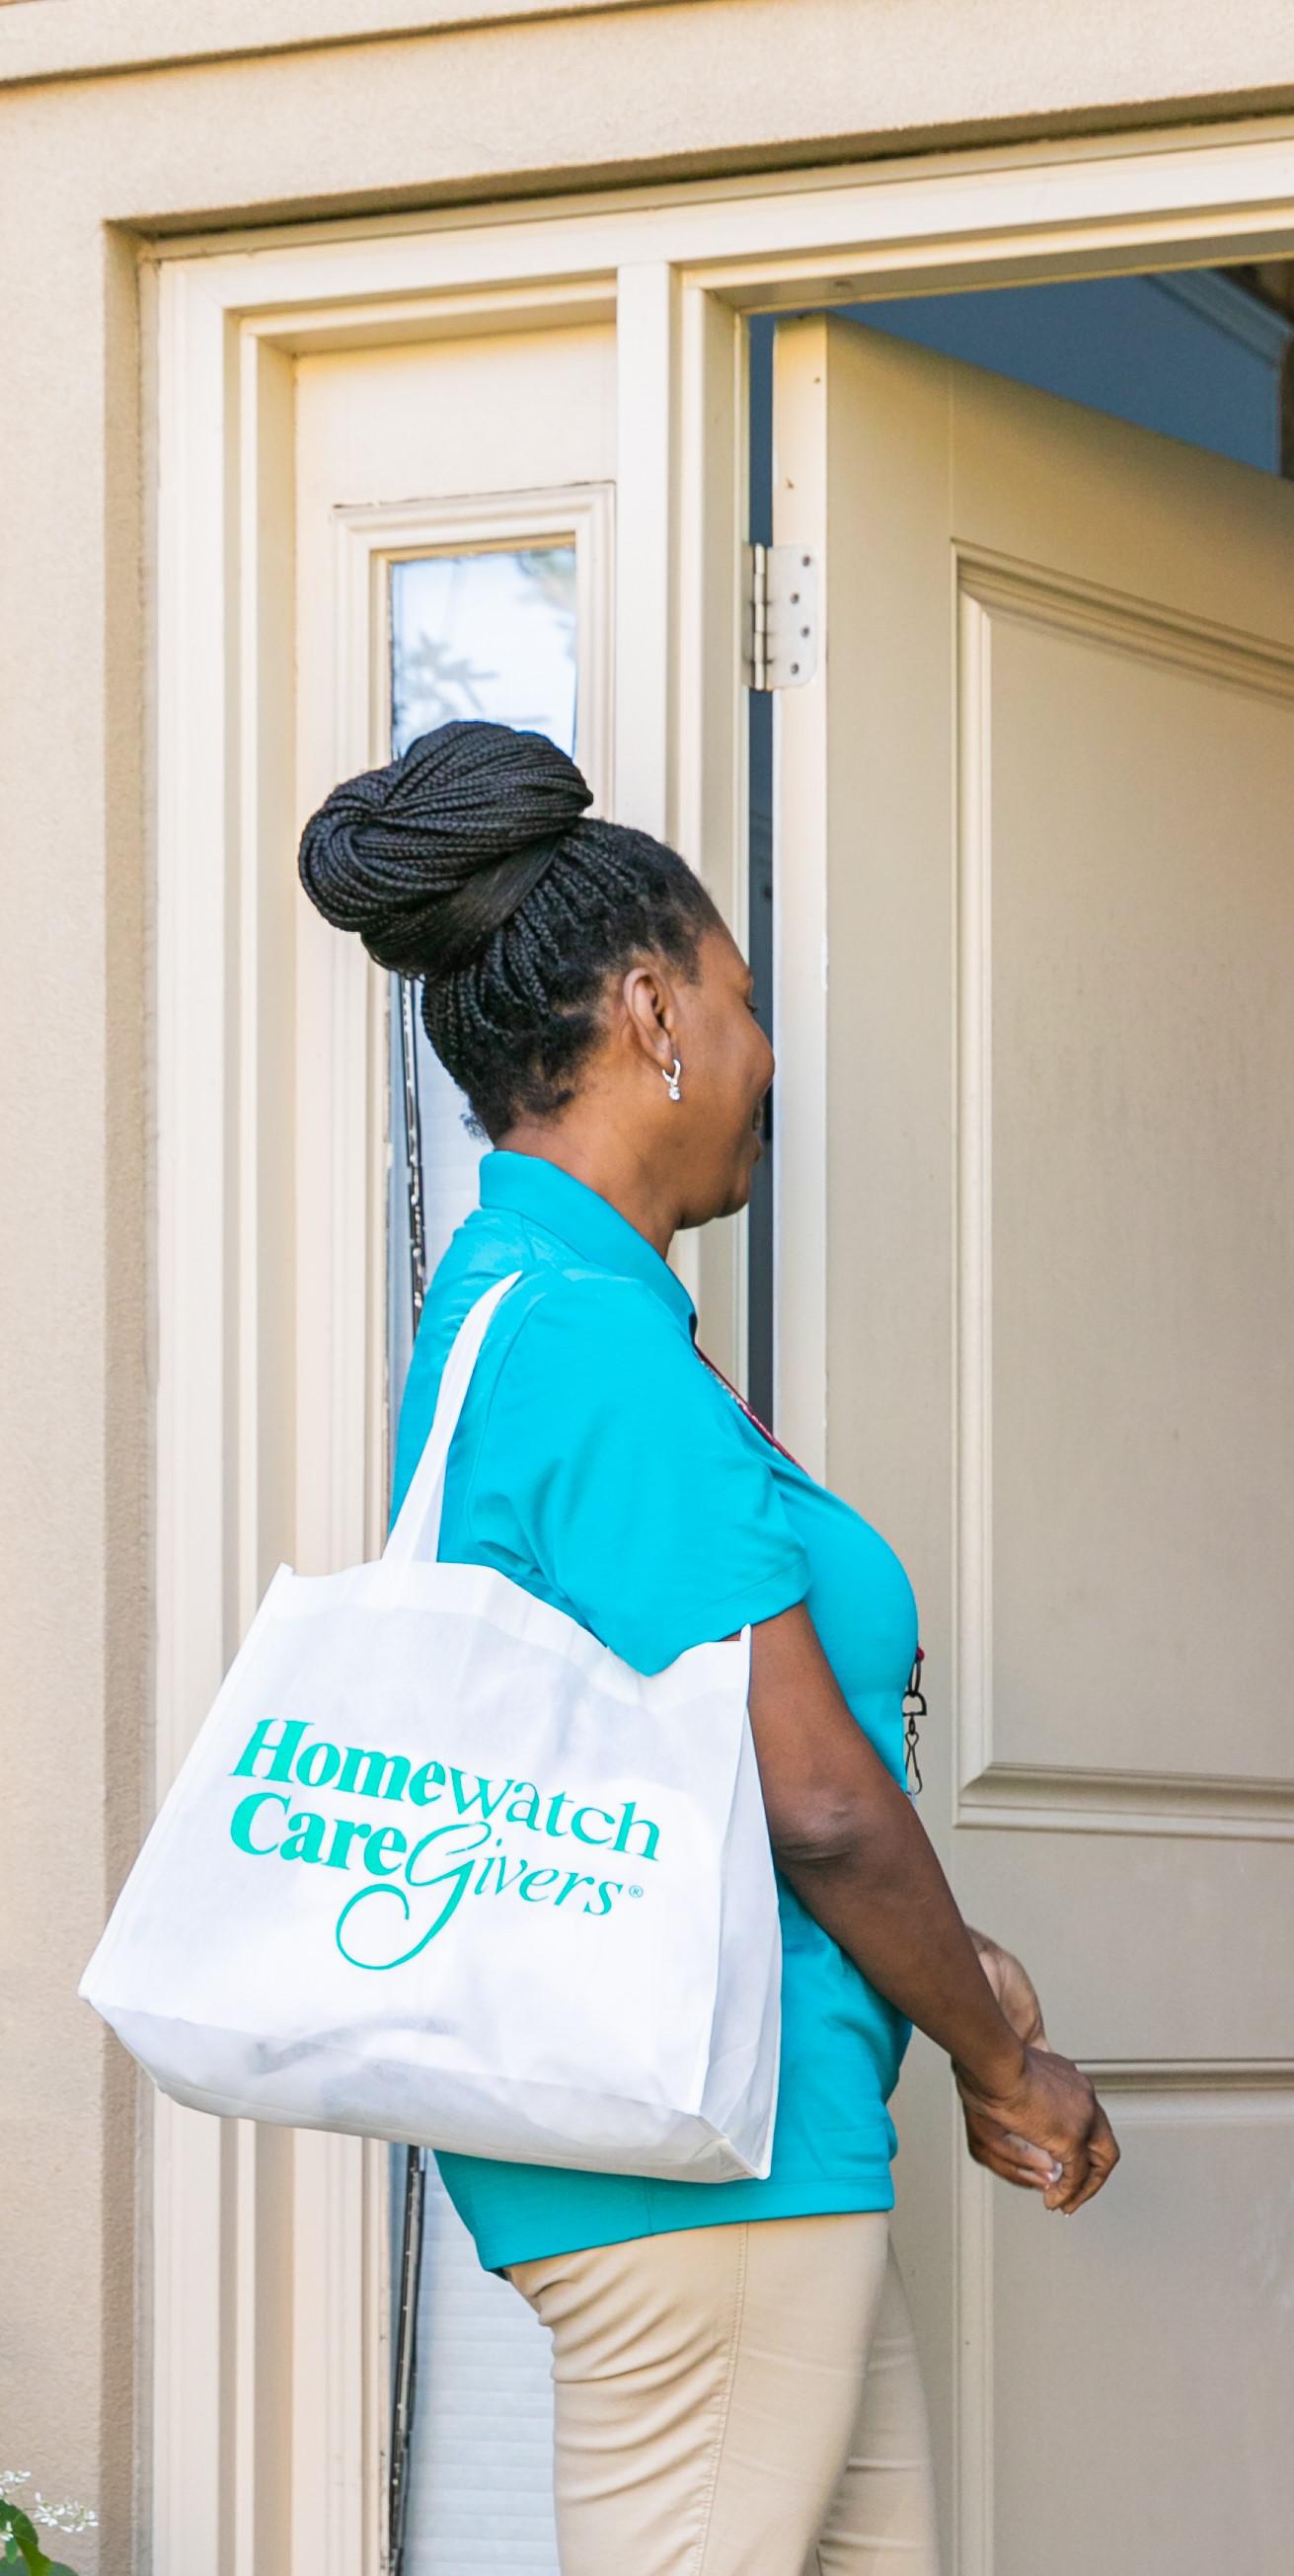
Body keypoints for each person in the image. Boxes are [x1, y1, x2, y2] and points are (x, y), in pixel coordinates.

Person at [297, 720, 1118, 2576]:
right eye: (741, 1003)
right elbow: (814, 1794)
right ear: (657, 1013)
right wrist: (998, 2055)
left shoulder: (549, 1311)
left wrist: (940, 1963)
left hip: (751, 2147)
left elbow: (706, 1766)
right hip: (702, 2168)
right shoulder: (589, 1341)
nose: (761, 1056)